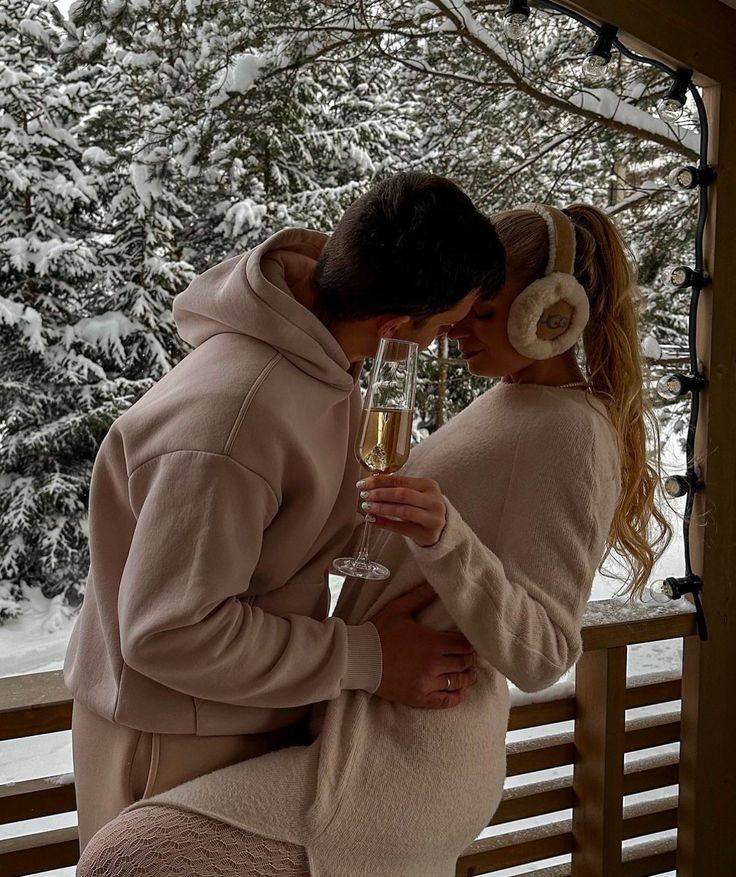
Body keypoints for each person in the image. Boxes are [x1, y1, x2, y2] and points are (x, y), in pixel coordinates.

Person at [76, 203, 671, 877]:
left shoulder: (571, 433)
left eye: (484, 312)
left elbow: (544, 652)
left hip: (408, 753)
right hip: (354, 714)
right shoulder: (504, 400)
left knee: (132, 859)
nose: (456, 334)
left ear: (551, 315)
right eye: (459, 311)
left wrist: (442, 537)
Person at [64, 170, 506, 852]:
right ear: (393, 326)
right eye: (442, 329)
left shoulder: (319, 362)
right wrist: (368, 656)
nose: (443, 346)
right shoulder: (234, 419)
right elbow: (170, 631)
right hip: (176, 741)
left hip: (228, 718)